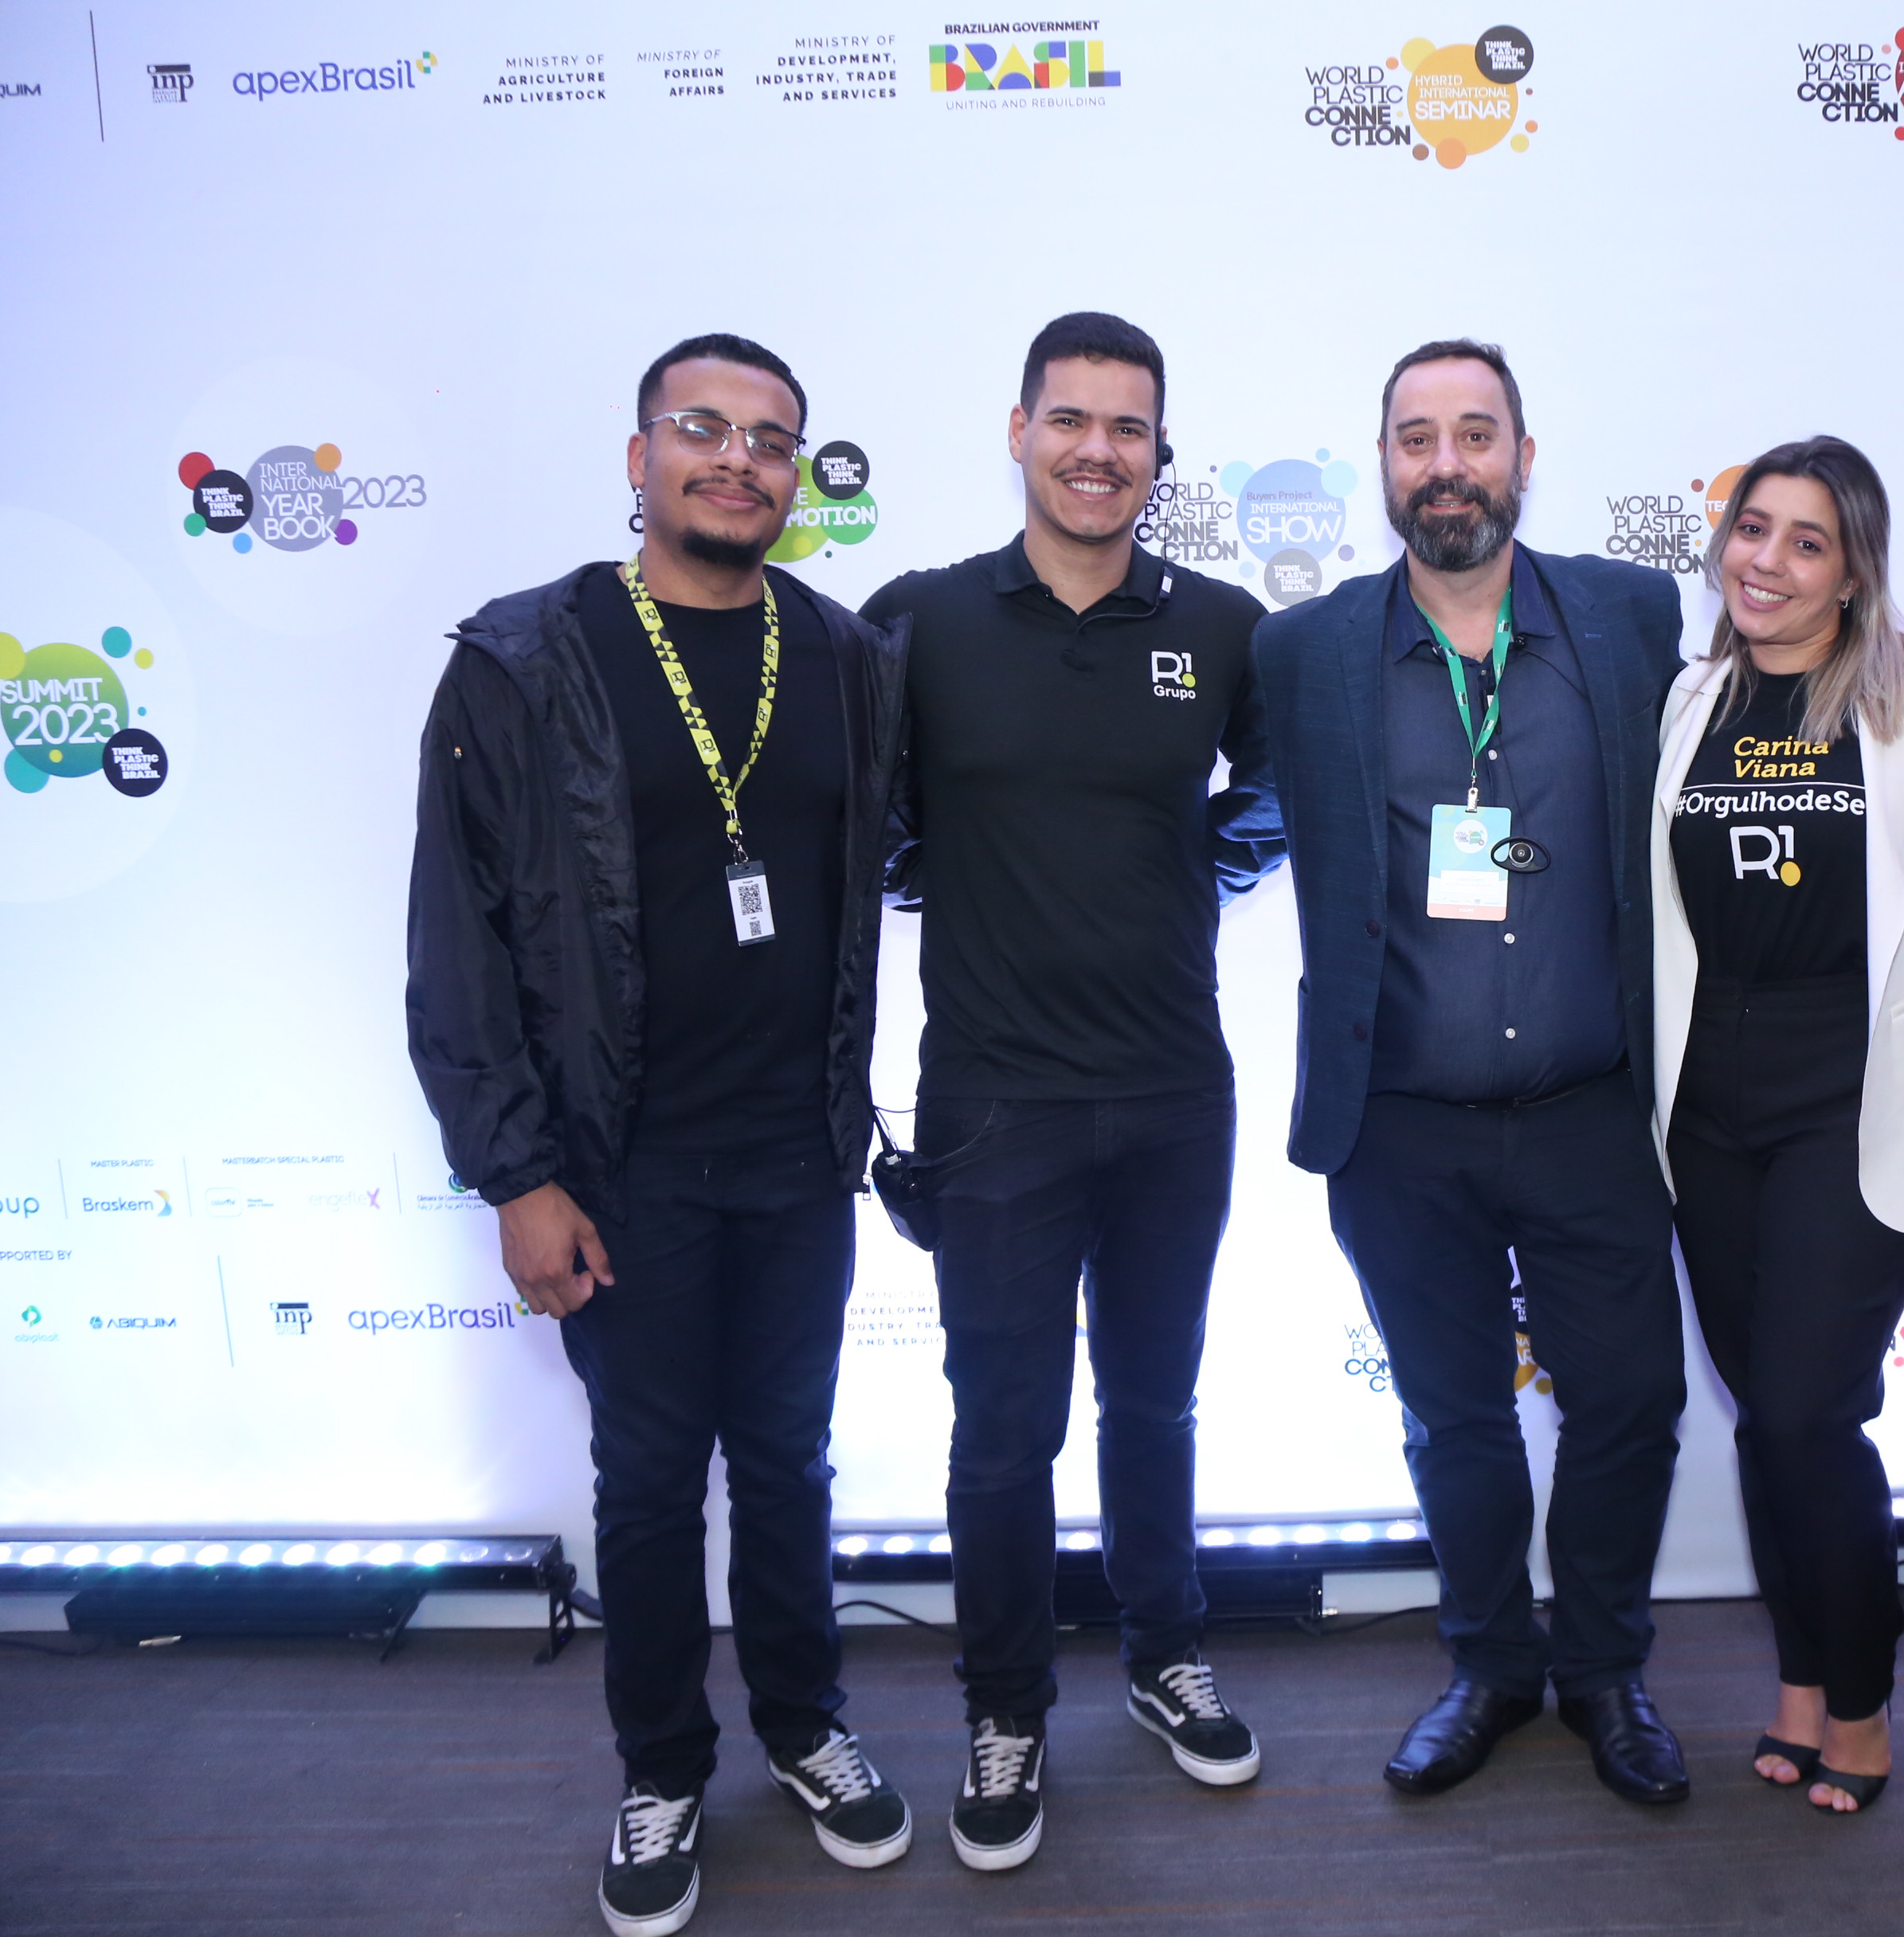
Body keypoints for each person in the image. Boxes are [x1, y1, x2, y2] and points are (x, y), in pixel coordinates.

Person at [407, 333, 914, 1937]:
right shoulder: (523, 661)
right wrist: (517, 1173)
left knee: (789, 1465)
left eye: (772, 438)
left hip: (799, 1152)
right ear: (641, 458)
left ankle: (806, 1726)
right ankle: (662, 1768)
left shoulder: (844, 656)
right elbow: (458, 941)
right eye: (703, 426)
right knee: (643, 1482)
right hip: (615, 1165)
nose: (738, 458)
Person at [860, 311, 1283, 1874]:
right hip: (995, 1107)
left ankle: (1166, 1654)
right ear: (1019, 429)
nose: (1098, 449)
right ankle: (1006, 1710)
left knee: (1155, 1403)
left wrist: (1185, 871)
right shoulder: (920, 618)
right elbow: (864, 823)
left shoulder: (1225, 627)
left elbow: (1277, 796)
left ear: (1161, 452)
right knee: (1003, 1431)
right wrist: (954, 878)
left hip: (1176, 1093)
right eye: (1071, 419)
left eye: (1128, 427)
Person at [1252, 339, 1694, 1804]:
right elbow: (1231, 817)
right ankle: (1492, 1662)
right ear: (1385, 465)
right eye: (1416, 438)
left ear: (1523, 456)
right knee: (1454, 1418)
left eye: (1475, 434)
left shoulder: (1631, 617)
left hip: (1592, 1109)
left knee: (1629, 1404)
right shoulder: (1304, 651)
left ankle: (1606, 1666)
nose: (1447, 465)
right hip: (1398, 1123)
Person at [1647, 436, 1904, 1814]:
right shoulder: (1688, 699)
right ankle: (1801, 1677)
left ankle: (1860, 1699)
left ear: (1855, 570)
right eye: (1753, 529)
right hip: (1706, 1104)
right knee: (1765, 1418)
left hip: (1853, 1097)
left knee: (1811, 1409)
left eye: (1808, 542)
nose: (1768, 561)